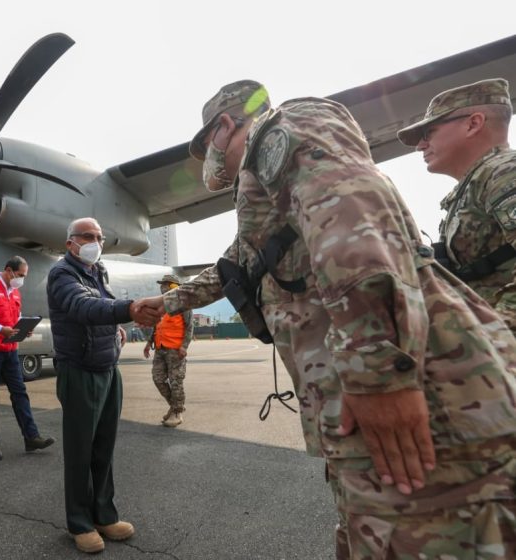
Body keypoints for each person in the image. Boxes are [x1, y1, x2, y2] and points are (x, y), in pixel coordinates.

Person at [139, 80, 516, 558]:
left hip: (411, 405)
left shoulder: (284, 129)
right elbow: (235, 265)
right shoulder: (261, 199)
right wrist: (166, 304)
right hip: (353, 416)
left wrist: (379, 374)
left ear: (225, 127)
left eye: (205, 144)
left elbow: (353, 217)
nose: (206, 161)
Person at [46, 217, 164, 554]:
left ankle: (104, 515)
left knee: (103, 449)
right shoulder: (63, 273)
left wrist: (115, 330)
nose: (95, 241)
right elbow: (83, 307)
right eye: (88, 236)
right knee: (80, 452)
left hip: (108, 368)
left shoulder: (98, 272)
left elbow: (99, 310)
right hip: (80, 371)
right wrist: (128, 310)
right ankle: (80, 522)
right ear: (70, 242)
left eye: (99, 237)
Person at [397, 78, 516, 333]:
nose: (420, 146)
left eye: (429, 133)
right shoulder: (478, 182)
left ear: (474, 124)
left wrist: (496, 337)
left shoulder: (505, 172)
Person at [0, 256, 55, 462]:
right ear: (9, 270)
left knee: (20, 393)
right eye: (20, 275)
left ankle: (31, 437)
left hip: (10, 349)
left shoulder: (14, 292)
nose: (21, 280)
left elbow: (14, 317)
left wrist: (22, 327)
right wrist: (1, 329)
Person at [143, 274, 192, 427]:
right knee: (158, 379)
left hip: (175, 349)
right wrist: (149, 342)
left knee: (176, 381)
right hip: (160, 348)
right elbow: (157, 325)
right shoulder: (161, 304)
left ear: (173, 286)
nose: (162, 286)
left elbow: (190, 327)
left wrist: (184, 346)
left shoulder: (183, 303)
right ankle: (175, 407)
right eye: (161, 284)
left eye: (165, 284)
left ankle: (177, 413)